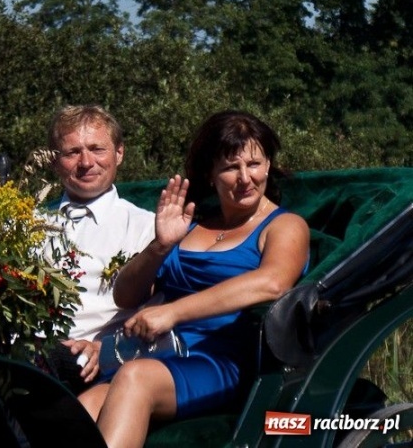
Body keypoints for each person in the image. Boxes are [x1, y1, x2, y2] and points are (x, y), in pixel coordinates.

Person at [79, 110, 310, 448]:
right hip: (160, 353)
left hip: (224, 359)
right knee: (83, 407)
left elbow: (272, 282)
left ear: (268, 165)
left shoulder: (284, 225)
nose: (245, 178)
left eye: (254, 164)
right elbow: (125, 296)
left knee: (134, 378)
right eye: (230, 167)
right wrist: (160, 246)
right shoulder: (192, 225)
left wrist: (173, 312)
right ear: (210, 174)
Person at [43, 105, 155, 387]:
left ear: (119, 153)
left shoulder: (146, 228)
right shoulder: (29, 224)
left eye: (97, 149)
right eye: (72, 152)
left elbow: (156, 310)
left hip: (89, 365)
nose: (86, 162)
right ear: (55, 161)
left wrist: (103, 348)